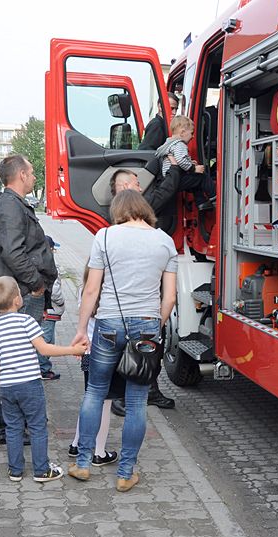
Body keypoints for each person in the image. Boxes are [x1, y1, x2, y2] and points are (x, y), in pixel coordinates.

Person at [68, 190, 177, 491]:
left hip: (108, 325)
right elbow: (169, 297)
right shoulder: (165, 241)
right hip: (146, 327)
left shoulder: (104, 237)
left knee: (95, 392)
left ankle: (83, 464)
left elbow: (92, 290)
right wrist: (156, 326)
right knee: (137, 401)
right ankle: (126, 472)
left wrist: (80, 329)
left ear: (118, 210)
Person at [0, 276, 85, 482]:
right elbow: (44, 348)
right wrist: (72, 349)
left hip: (7, 386)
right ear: (17, 300)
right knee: (37, 426)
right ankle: (41, 470)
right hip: (30, 384)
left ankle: (15, 470)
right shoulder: (26, 321)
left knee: (13, 427)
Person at [0, 154, 58, 444]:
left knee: (21, 361)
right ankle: (5, 428)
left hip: (24, 291)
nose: (34, 177)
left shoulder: (13, 204)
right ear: (20, 176)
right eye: (31, 172)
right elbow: (13, 252)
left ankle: (10, 425)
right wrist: (36, 282)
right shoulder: (9, 207)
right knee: (17, 362)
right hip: (23, 293)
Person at [107, 167, 179, 414]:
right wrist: (175, 169)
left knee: (140, 352)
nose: (141, 188)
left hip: (122, 309)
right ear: (127, 187)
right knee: (132, 350)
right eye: (137, 183)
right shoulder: (130, 217)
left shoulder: (114, 225)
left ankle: (148, 390)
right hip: (135, 306)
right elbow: (164, 194)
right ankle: (124, 397)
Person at [67, 264, 119, 466]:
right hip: (106, 351)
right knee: (104, 403)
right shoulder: (110, 294)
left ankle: (76, 443)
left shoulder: (84, 291)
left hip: (88, 350)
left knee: (89, 399)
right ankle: (99, 451)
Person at [154, 116, 212, 204]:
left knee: (194, 181)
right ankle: (214, 197)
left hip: (169, 179)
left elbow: (178, 160)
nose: (193, 136)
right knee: (202, 177)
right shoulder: (180, 144)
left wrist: (190, 163)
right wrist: (194, 168)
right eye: (192, 133)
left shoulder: (169, 144)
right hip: (176, 179)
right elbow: (181, 161)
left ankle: (201, 202)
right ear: (182, 132)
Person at [38, 236, 65, 380]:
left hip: (48, 310)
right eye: (53, 249)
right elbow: (54, 290)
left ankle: (43, 366)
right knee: (46, 340)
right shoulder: (49, 265)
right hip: (51, 310)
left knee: (48, 339)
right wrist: (60, 301)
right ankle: (43, 369)